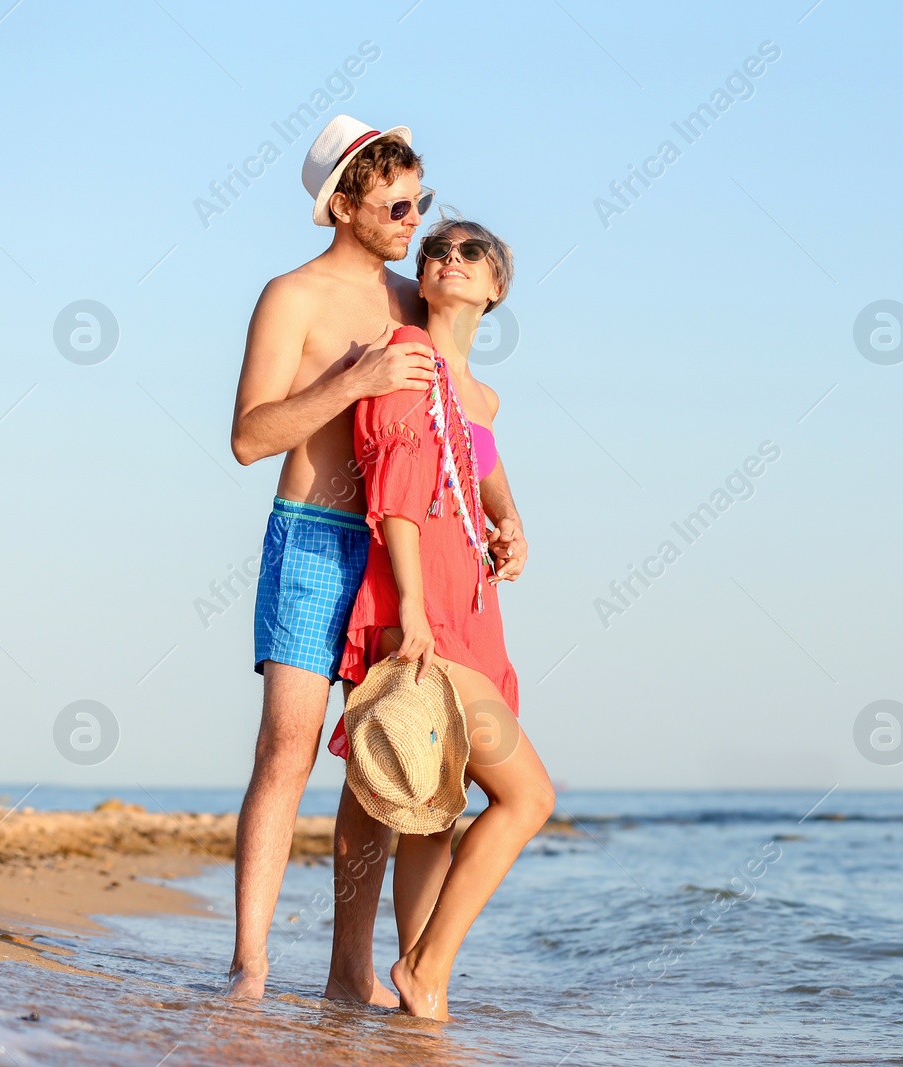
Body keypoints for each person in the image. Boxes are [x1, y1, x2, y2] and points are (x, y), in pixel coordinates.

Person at [226, 114, 528, 1002]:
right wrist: (347, 384)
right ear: (343, 205)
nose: (414, 216)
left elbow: (461, 435)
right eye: (397, 201)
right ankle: (249, 965)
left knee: (400, 767)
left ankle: (366, 975)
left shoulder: (414, 301)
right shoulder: (293, 297)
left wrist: (502, 518)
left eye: (420, 199)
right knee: (286, 746)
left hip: (409, 557)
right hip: (317, 537)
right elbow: (248, 438)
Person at [330, 218, 554, 1021]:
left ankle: (423, 992)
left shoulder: (478, 393)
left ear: (496, 287)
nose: (447, 259)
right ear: (422, 281)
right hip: (422, 606)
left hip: (475, 610)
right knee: (528, 797)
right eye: (437, 252)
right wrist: (412, 615)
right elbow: (392, 495)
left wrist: (512, 523)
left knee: (434, 809)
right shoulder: (405, 362)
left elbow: (480, 464)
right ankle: (425, 968)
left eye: (469, 253)